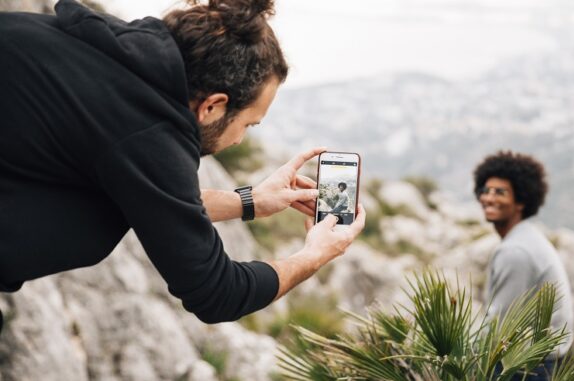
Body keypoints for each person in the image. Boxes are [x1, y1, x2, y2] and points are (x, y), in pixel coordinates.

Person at [0, 0, 365, 334]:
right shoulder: (149, 133)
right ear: (213, 106)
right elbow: (218, 292)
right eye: (248, 125)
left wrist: (250, 200)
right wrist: (315, 255)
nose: (240, 140)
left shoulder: (113, 57)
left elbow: (151, 199)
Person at [474, 151, 574, 380]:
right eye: (485, 190)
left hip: (527, 366)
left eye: (500, 192)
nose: (489, 198)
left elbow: (500, 324)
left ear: (520, 200)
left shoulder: (516, 251)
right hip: (543, 360)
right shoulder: (526, 238)